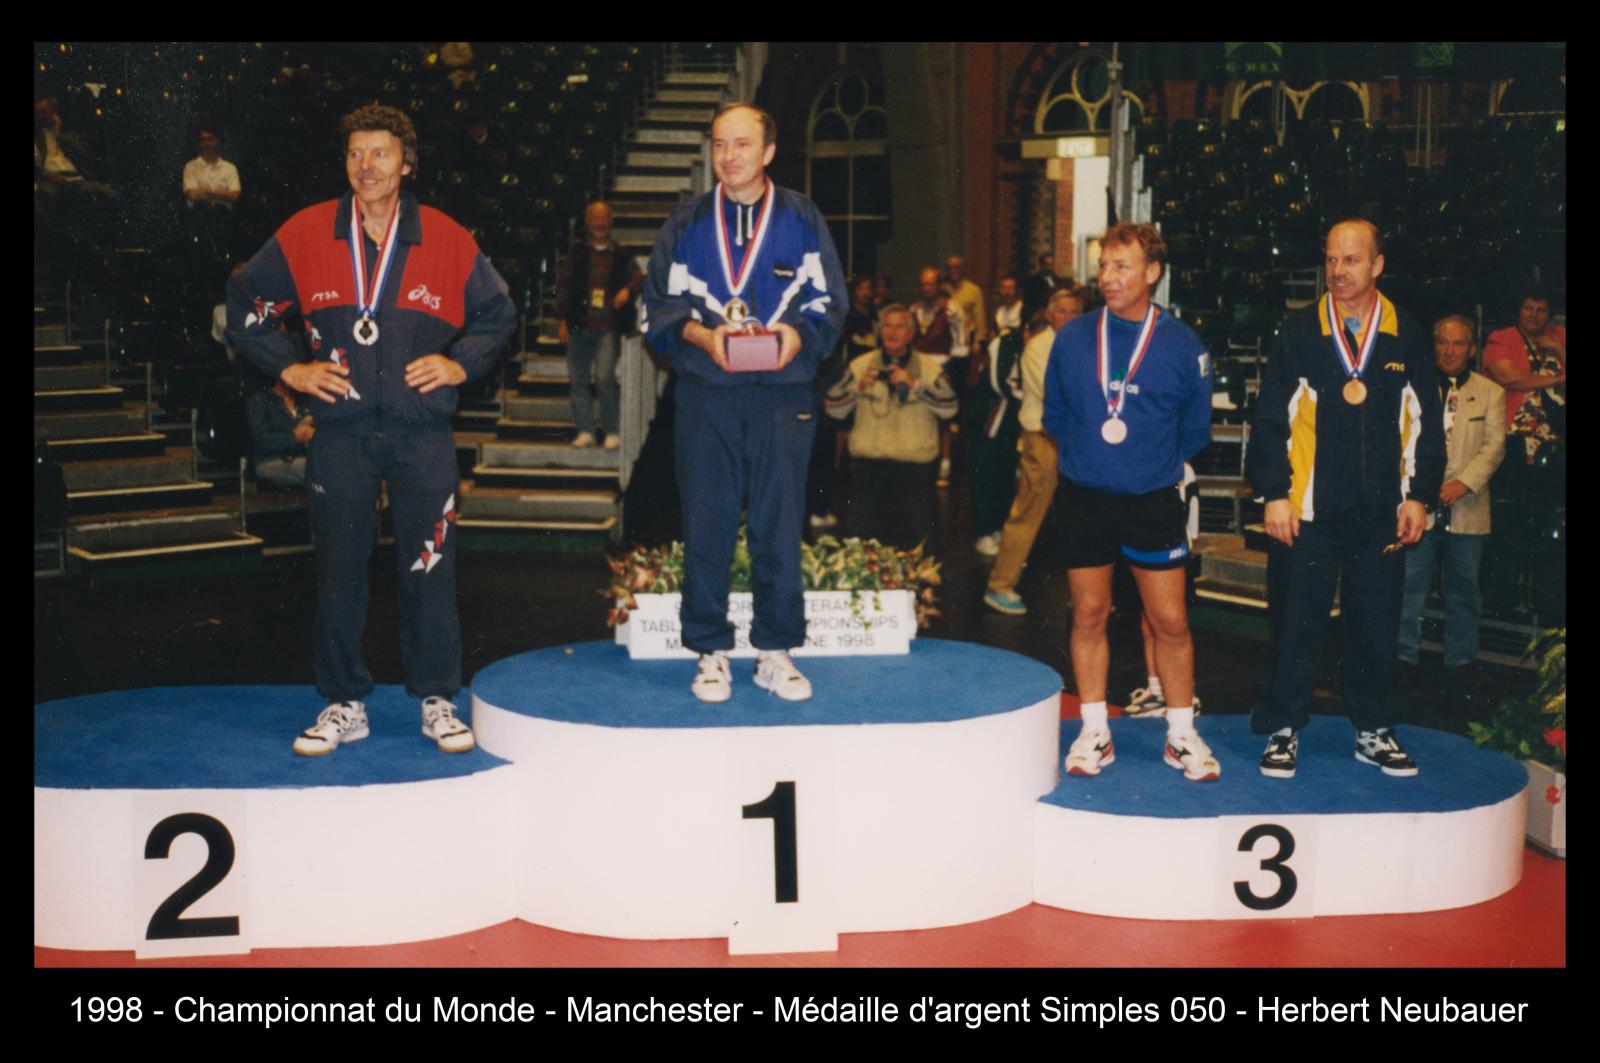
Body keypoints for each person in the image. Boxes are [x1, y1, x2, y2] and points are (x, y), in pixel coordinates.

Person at [228, 103, 516, 756]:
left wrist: (459, 363)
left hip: (422, 435)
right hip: (341, 435)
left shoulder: (445, 237)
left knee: (430, 568)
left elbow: (498, 313)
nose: (366, 166)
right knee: (338, 572)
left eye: (380, 153)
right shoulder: (307, 233)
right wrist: (291, 368)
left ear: (406, 164)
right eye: (355, 153)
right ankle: (343, 701)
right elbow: (245, 302)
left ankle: (437, 698)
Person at [642, 103, 846, 703]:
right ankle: (710, 651)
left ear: (768, 151)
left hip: (782, 396)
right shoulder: (686, 224)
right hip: (708, 395)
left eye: (742, 144)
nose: (728, 156)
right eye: (719, 144)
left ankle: (775, 651)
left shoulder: (802, 218)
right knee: (706, 520)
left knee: (777, 524)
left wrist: (796, 335)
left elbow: (830, 303)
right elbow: (656, 311)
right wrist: (702, 335)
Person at [1245, 219, 1444, 779]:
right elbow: (1271, 418)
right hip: (1308, 512)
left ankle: (1374, 728)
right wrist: (1274, 494)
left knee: (1376, 625)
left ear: (1377, 264)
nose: (1337, 271)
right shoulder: (1300, 330)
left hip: (1381, 512)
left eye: (1351, 260)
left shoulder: (1405, 332)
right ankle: (1282, 727)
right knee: (1295, 622)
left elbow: (1426, 422)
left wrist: (1419, 496)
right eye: (1331, 259)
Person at [1042, 223, 1219, 782]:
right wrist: (1096, 462)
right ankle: (1095, 730)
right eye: (1104, 265)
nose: (1108, 277)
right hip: (1084, 498)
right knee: (1089, 614)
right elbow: (1055, 418)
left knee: (1170, 620)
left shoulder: (1183, 345)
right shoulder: (1073, 338)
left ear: (1152, 272)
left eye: (1122, 266)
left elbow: (1194, 432)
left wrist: (1143, 465)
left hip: (1152, 501)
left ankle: (1181, 734)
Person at [1398, 315, 1506, 673]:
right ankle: (1403, 654)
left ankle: (1460, 660)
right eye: (1442, 342)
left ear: (1472, 349)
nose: (1449, 350)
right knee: (1410, 582)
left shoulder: (1491, 393)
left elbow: (1494, 448)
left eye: (1458, 343)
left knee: (1464, 587)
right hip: (1419, 504)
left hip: (1468, 503)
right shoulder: (1414, 388)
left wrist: (1463, 484)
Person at [985, 286, 1086, 614]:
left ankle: (1085, 594)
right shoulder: (1039, 348)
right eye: (1062, 311)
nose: (1068, 317)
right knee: (1029, 512)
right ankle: (999, 585)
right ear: (1049, 314)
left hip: (1076, 442)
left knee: (1082, 516)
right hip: (1043, 440)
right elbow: (1059, 397)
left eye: (1075, 311)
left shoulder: (1084, 345)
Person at [825, 305, 957, 545]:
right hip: (869, 465)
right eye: (887, 325)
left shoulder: (929, 368)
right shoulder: (860, 365)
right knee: (860, 539)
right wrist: (857, 389)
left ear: (911, 333)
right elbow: (833, 408)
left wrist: (915, 385)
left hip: (914, 467)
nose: (892, 332)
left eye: (899, 326)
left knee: (918, 539)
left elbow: (950, 407)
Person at [558, 200, 643, 448]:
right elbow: (564, 287)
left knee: (605, 379)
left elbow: (641, 278)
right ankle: (585, 431)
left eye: (604, 218)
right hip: (578, 324)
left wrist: (628, 290)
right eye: (595, 218)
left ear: (611, 221)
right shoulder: (576, 254)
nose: (600, 223)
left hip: (607, 327)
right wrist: (562, 320)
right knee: (578, 380)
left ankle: (612, 431)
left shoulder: (622, 255)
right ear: (587, 221)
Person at [967, 275, 1026, 556]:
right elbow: (1000, 383)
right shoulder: (1003, 344)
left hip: (1013, 421)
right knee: (987, 475)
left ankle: (999, 527)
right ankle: (983, 530)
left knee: (1006, 474)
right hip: (991, 418)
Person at [1482, 285, 1565, 463]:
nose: (1533, 315)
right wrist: (1558, 379)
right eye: (1528, 308)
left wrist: (1558, 348)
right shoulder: (1502, 338)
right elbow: (1510, 379)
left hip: (1558, 426)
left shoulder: (1560, 336)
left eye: (1541, 310)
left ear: (1549, 314)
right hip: (1515, 430)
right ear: (1519, 311)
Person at [909, 266, 968, 485]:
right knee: (918, 416)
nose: (927, 288)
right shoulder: (914, 309)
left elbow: (961, 346)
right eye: (923, 284)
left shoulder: (952, 309)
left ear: (939, 285)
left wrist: (947, 371)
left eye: (931, 284)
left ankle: (945, 462)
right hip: (918, 368)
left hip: (944, 368)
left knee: (943, 418)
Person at [246, 378, 314, 488]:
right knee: (317, 467)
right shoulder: (260, 400)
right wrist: (295, 438)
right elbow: (261, 438)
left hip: (300, 459)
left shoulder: (303, 402)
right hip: (269, 461)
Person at [1023, 252, 1065, 324]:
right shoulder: (1032, 282)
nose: (1049, 268)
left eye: (1051, 265)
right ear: (1041, 265)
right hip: (1040, 316)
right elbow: (1029, 303)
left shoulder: (1058, 280)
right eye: (1047, 265)